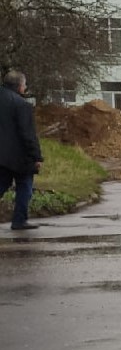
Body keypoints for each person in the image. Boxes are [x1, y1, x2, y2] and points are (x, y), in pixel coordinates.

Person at [0, 67, 44, 231]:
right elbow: (28, 135)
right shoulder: (21, 105)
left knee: (1, 184)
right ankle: (19, 221)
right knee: (24, 186)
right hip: (19, 157)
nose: (25, 88)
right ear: (19, 86)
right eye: (24, 85)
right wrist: (37, 157)